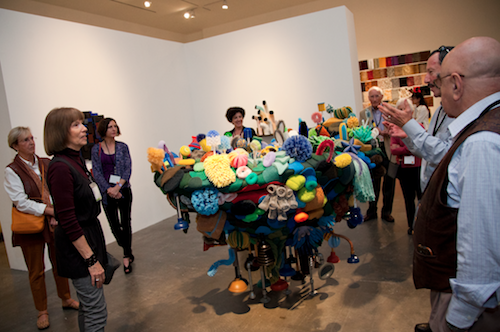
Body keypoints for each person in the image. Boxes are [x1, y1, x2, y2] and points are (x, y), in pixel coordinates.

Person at [413, 36, 500, 332]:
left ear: (456, 84)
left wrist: (458, 320)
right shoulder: (487, 124)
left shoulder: (482, 143)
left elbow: (479, 250)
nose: (432, 86)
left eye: (437, 79)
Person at [4, 126, 79, 330]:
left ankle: (66, 298)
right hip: (31, 227)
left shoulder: (46, 163)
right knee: (36, 270)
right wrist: (50, 211)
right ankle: (42, 311)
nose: (31, 142)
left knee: (59, 263)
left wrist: (57, 211)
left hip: (55, 222)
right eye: (25, 140)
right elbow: (20, 201)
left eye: (31, 138)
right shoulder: (11, 171)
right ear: (15, 146)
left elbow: (56, 189)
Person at [44, 108, 107, 331]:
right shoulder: (60, 167)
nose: (84, 128)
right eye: (76, 125)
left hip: (88, 236)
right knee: (97, 311)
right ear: (60, 132)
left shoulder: (75, 160)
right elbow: (67, 219)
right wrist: (90, 260)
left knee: (89, 308)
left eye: (82, 123)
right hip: (78, 247)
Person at [380, 46, 455, 192]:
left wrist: (407, 124)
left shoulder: (460, 113)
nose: (426, 79)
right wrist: (407, 137)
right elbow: (428, 151)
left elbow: (444, 154)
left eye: (431, 72)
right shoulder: (441, 110)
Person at [91, 118, 134, 274]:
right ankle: (127, 248)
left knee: (126, 222)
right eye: (110, 127)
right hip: (107, 192)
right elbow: (96, 172)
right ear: (103, 130)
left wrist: (118, 187)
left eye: (115, 126)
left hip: (123, 189)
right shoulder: (96, 149)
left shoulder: (123, 147)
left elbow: (128, 169)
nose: (114, 129)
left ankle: (126, 255)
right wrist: (108, 189)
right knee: (114, 226)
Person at [359, 86, 396, 222]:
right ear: (368, 99)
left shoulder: (390, 110)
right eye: (372, 97)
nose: (374, 99)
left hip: (389, 149)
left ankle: (386, 212)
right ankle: (371, 211)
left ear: (381, 97)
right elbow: (361, 132)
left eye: (376, 96)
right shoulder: (364, 113)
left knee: (389, 182)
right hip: (373, 150)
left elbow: (397, 127)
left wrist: (387, 133)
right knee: (374, 183)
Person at [390, 100, 422, 235]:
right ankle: (412, 226)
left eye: (405, 109)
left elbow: (420, 147)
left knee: (422, 198)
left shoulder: (418, 126)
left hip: (418, 168)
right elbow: (393, 150)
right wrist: (410, 147)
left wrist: (403, 147)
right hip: (404, 169)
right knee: (408, 200)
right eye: (400, 109)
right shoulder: (394, 128)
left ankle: (423, 225)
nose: (402, 111)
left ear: (411, 111)